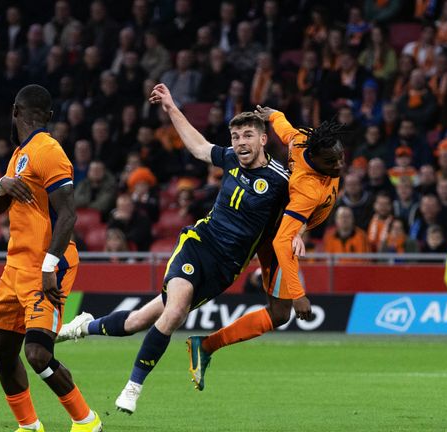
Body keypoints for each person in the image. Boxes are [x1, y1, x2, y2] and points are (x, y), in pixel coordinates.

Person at [56, 84, 289, 414]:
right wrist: (170, 106)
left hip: (226, 268)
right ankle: (132, 388)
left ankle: (82, 326)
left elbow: (301, 210)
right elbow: (198, 146)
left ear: (263, 139)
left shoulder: (281, 180)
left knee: (138, 320)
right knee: (176, 311)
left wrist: (300, 233)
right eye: (236, 137)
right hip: (199, 244)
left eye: (247, 136)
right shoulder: (229, 159)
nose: (240, 143)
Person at [185, 105, 346, 391]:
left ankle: (204, 342)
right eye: (332, 161)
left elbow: (282, 125)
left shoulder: (302, 139)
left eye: (340, 157)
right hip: (277, 230)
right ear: (318, 159)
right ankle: (205, 344)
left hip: (283, 221)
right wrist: (300, 295)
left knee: (277, 312)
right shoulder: (307, 189)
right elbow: (282, 240)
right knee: (281, 313)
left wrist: (272, 114)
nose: (339, 166)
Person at [0, 85, 102, 432]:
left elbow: (69, 215)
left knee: (37, 353)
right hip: (15, 265)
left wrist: (50, 265)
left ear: (14, 112)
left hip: (46, 265)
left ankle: (87, 421)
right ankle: (29, 426)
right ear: (48, 115)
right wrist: (1, 185)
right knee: (3, 351)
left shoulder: (49, 151)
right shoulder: (21, 154)